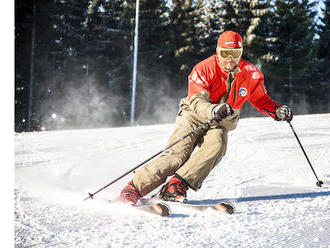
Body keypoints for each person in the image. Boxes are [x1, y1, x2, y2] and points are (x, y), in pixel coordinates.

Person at [119, 30, 293, 204]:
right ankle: (133, 188)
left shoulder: (250, 73)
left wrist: (276, 111)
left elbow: (260, 98)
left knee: (217, 145)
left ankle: (176, 186)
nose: (229, 59)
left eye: (235, 53)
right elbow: (196, 99)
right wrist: (213, 110)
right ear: (218, 51)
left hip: (221, 122)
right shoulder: (204, 68)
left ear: (241, 53)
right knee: (177, 155)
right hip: (193, 116)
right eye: (225, 53)